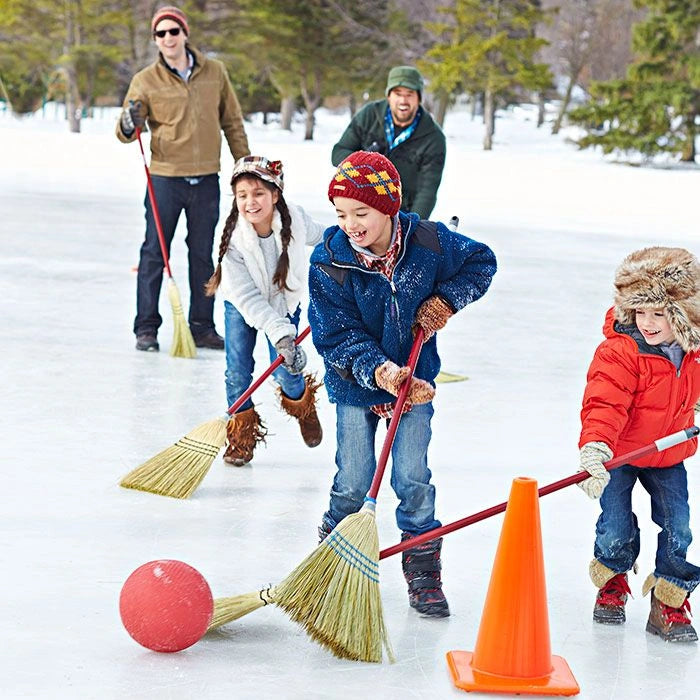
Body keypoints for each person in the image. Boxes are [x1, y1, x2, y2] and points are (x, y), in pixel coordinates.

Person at [308, 150, 497, 617]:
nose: (351, 224)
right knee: (353, 479)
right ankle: (331, 564)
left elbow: (482, 263)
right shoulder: (329, 260)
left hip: (415, 384)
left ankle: (423, 570)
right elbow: (334, 335)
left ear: (389, 207)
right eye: (341, 214)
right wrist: (379, 372)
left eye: (362, 213)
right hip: (356, 384)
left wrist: (447, 300)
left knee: (413, 477)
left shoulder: (429, 242)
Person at [577, 246, 700, 642]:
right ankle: (612, 580)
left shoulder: (695, 351)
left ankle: (668, 597)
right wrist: (596, 447)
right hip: (621, 453)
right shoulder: (621, 350)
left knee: (677, 527)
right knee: (614, 525)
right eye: (639, 311)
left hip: (668, 454)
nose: (646, 322)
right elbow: (604, 401)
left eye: (658, 313)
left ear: (682, 313)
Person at [116, 5, 250, 352]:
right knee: (153, 254)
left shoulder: (214, 72)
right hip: (165, 178)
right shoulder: (145, 80)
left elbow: (232, 122)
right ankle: (146, 328)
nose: (168, 39)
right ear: (155, 40)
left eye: (173, 31)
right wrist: (129, 122)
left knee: (203, 254)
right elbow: (126, 132)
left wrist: (244, 167)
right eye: (161, 34)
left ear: (185, 34)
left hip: (205, 177)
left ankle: (202, 326)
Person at [205, 156, 325, 466]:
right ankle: (240, 438)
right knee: (237, 372)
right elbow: (247, 297)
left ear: (275, 193)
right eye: (242, 195)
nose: (250, 202)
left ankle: (303, 406)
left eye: (258, 193)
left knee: (287, 371)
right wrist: (281, 334)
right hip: (241, 305)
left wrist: (362, 239)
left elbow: (326, 237)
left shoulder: (294, 220)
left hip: (284, 303)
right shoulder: (230, 238)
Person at [331, 66, 446, 220]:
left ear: (418, 98)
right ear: (389, 96)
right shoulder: (369, 115)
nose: (403, 100)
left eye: (409, 94)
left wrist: (412, 227)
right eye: (398, 94)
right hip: (360, 208)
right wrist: (364, 162)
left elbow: (427, 191)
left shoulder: (433, 138)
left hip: (401, 214)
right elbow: (338, 153)